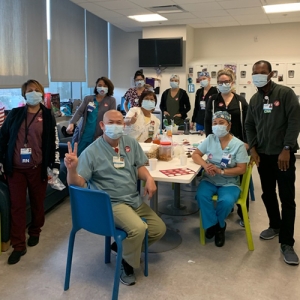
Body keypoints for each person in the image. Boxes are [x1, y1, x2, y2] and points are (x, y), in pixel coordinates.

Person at [64, 110, 166, 285]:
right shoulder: (92, 151)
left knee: (158, 229)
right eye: (111, 122)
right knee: (138, 228)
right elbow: (77, 184)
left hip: (132, 199)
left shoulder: (131, 144)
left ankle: (124, 249)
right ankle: (126, 263)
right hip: (111, 203)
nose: (116, 126)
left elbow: (139, 165)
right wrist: (72, 169)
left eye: (120, 122)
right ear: (102, 125)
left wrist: (149, 178)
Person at [245, 60, 300, 265]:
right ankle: (274, 225)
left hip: (282, 155)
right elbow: (249, 124)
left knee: (287, 198)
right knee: (267, 193)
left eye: (262, 72)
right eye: (255, 73)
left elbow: (295, 121)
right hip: (263, 156)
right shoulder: (254, 99)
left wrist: (287, 148)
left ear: (271, 74)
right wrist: (252, 148)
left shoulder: (285, 94)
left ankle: (287, 243)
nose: (258, 76)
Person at [0, 79, 60, 265]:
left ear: (42, 93)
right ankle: (19, 245)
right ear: (23, 94)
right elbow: (3, 138)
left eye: (36, 90)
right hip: (15, 170)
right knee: (16, 206)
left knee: (37, 202)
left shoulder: (48, 115)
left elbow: (54, 142)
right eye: (29, 90)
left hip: (37, 168)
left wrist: (55, 166)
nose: (33, 93)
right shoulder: (16, 114)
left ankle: (35, 231)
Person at [192, 111, 248, 247]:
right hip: (210, 179)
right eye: (214, 123)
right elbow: (196, 154)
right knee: (201, 196)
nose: (217, 126)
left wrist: (221, 170)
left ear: (229, 125)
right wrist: (205, 165)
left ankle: (218, 225)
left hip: (229, 182)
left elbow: (242, 168)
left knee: (226, 201)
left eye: (221, 123)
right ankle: (216, 225)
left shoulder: (238, 145)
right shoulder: (210, 139)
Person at [205, 68, 249, 225]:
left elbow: (248, 123)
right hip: (219, 143)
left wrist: (247, 142)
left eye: (226, 81)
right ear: (217, 84)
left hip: (238, 144)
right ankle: (227, 205)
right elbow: (207, 121)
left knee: (241, 176)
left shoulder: (240, 101)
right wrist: (209, 141)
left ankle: (243, 214)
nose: (224, 84)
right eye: (221, 82)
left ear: (232, 82)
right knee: (220, 171)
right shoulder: (213, 100)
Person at [66, 77, 116, 156]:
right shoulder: (88, 99)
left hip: (98, 135)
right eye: (100, 85)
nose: (102, 87)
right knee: (77, 155)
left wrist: (104, 135)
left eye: (105, 86)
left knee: (93, 158)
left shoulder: (111, 100)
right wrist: (71, 123)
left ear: (109, 87)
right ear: (96, 86)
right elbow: (79, 111)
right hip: (84, 133)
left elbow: (112, 118)